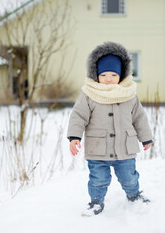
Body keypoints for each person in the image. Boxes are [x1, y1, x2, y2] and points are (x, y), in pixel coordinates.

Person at [67, 42, 153, 217]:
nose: (108, 78)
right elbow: (78, 116)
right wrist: (74, 137)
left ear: (121, 75)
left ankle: (134, 196)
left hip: (125, 148)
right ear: (95, 74)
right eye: (103, 74)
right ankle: (95, 203)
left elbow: (139, 117)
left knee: (129, 177)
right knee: (98, 180)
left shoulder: (129, 94)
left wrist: (146, 138)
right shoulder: (89, 94)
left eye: (113, 74)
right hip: (98, 149)